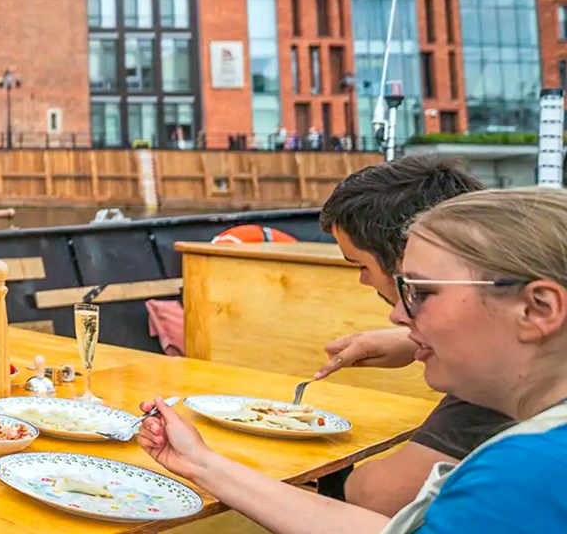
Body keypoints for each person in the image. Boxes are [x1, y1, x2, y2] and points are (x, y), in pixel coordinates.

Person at [136, 187, 567, 532]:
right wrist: (200, 463)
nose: (398, 315)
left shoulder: (522, 474)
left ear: (539, 310)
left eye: (421, 292)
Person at [311, 155, 508, 514]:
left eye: (362, 265)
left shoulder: (503, 366)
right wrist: (413, 340)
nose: (396, 315)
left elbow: (380, 496)